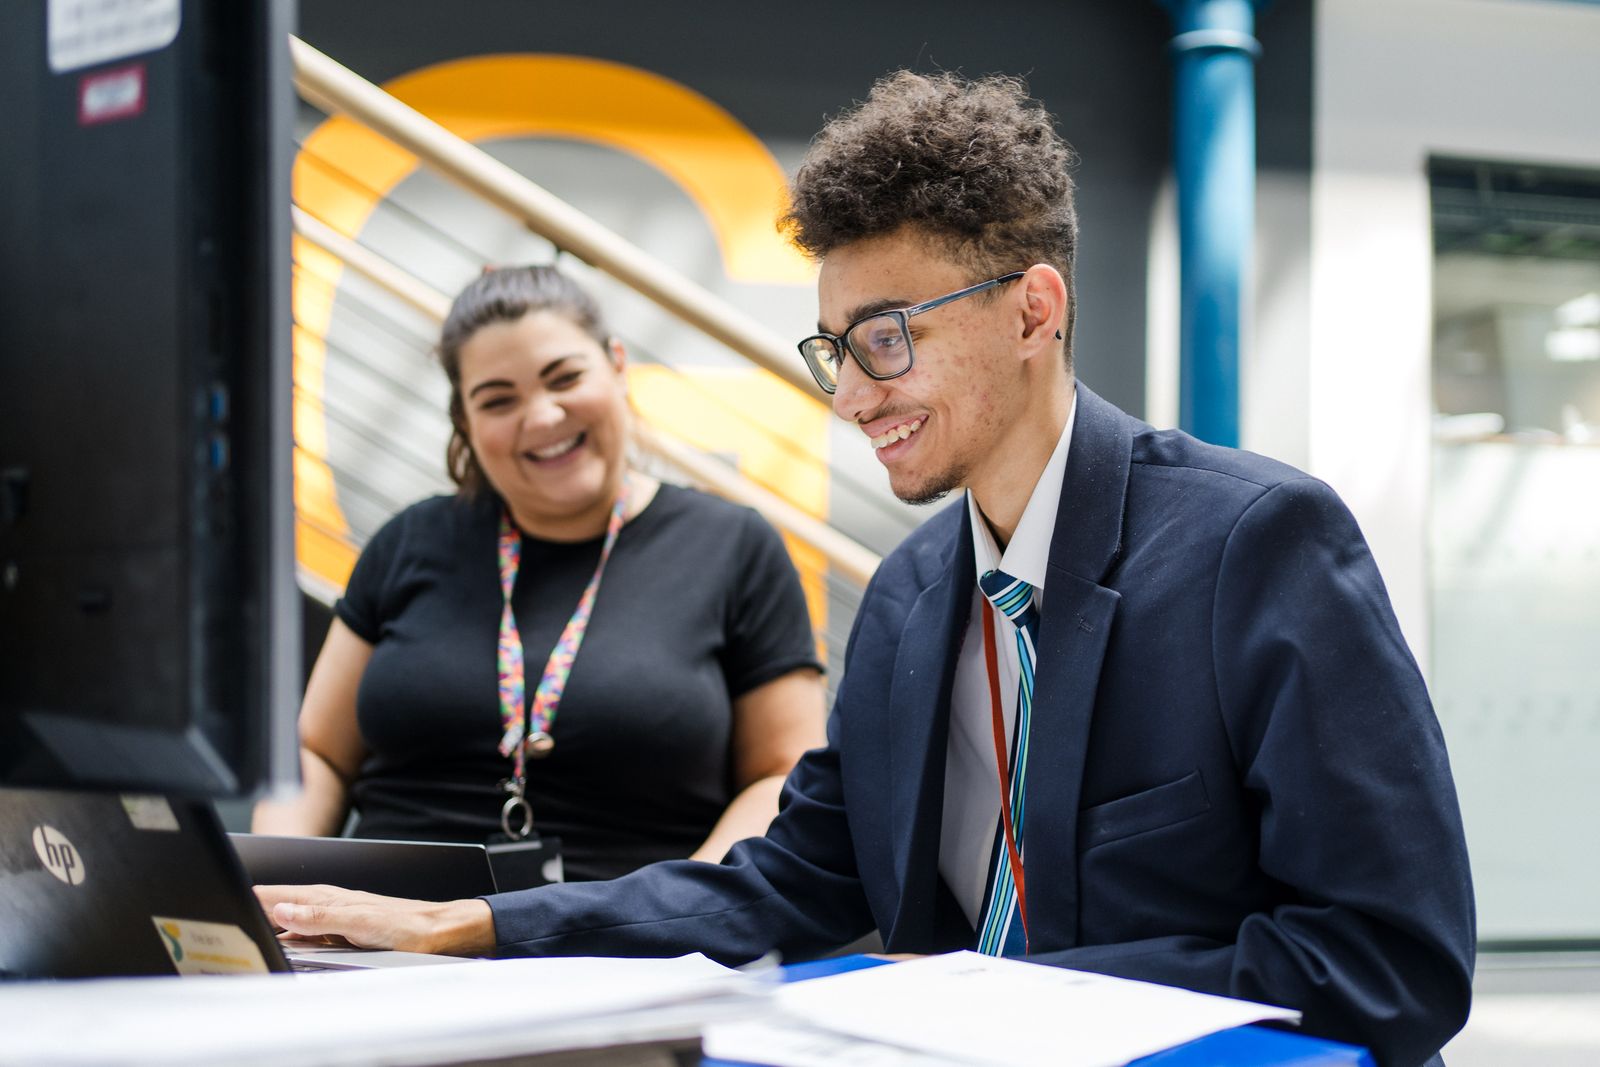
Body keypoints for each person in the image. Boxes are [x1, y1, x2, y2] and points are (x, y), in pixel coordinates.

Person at [259, 74, 1474, 1066]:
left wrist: (995, 991)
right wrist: (471, 923)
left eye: (886, 339)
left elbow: (1391, 959)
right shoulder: (903, 601)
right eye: (834, 349)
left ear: (1034, 311)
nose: (849, 396)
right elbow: (783, 882)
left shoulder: (1255, 544)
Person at [252, 266, 826, 881]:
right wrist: (268, 880)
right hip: (378, 933)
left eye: (566, 378)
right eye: (498, 400)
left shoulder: (734, 547)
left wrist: (682, 906)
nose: (544, 415)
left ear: (617, 365)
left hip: (614, 948)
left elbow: (781, 773)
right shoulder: (408, 542)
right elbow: (317, 753)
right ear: (464, 422)